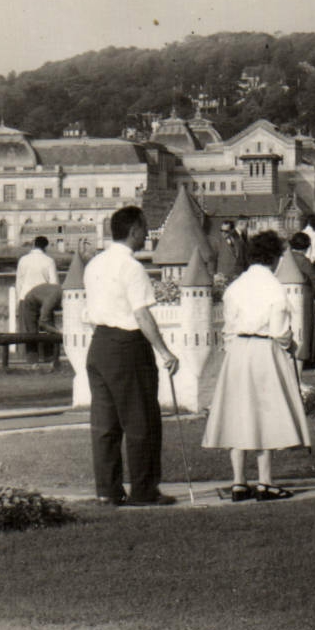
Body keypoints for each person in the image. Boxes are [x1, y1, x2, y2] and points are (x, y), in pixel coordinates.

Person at [203, 230, 312, 502]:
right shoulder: (274, 288)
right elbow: (280, 331)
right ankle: (265, 482)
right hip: (265, 351)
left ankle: (239, 482)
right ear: (274, 258)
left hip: (238, 352)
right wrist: (290, 345)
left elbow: (228, 328)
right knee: (265, 413)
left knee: (237, 412)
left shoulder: (235, 287)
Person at [84, 206, 180, 507]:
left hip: (99, 344)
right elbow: (142, 315)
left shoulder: (94, 264)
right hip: (127, 345)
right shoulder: (132, 268)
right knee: (141, 420)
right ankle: (143, 490)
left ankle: (107, 490)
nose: (147, 234)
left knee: (105, 425)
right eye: (145, 228)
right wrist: (164, 351)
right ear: (134, 230)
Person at [15, 236, 59, 358]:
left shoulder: (23, 260)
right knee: (47, 328)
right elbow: (54, 283)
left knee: (29, 330)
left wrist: (19, 300)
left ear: (33, 244)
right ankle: (48, 356)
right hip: (44, 299)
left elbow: (19, 282)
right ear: (46, 246)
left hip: (26, 298)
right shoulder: (49, 261)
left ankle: (31, 359)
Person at [286, 230, 315, 371]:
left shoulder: (286, 258)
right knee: (306, 326)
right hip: (304, 296)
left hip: (287, 296)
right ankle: (307, 357)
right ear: (306, 247)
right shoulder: (303, 261)